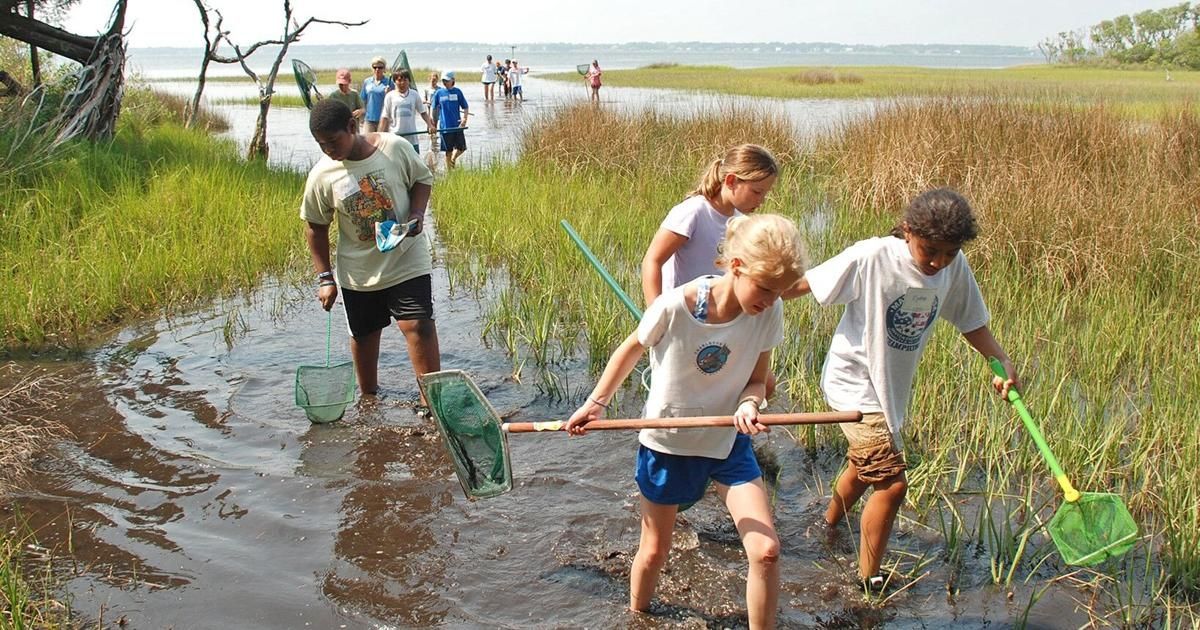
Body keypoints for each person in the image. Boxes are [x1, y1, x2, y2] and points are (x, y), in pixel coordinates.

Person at [566, 213, 805, 629]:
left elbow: (757, 381)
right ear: (736, 267)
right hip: (669, 446)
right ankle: (637, 616)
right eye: (765, 288)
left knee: (766, 550)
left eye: (779, 292)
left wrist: (750, 404)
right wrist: (596, 402)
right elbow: (631, 349)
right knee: (656, 550)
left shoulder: (769, 312)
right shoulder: (675, 305)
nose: (770, 300)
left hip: (728, 443)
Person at [790, 188, 1018, 591]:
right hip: (854, 382)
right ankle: (870, 581)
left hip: (888, 392)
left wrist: (999, 363)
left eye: (948, 252)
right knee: (891, 483)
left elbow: (972, 322)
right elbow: (804, 285)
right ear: (908, 231)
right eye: (929, 250)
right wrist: (740, 295)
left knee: (865, 469)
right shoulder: (873, 255)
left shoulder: (953, 266)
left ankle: (825, 526)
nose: (938, 262)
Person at [300, 99, 441, 408]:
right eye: (321, 145)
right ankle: (369, 401)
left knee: (417, 325)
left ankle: (432, 403)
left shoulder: (394, 148)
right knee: (364, 335)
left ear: (352, 127)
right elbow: (316, 228)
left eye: (333, 142)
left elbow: (421, 179)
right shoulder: (322, 175)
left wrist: (417, 212)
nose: (329, 150)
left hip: (406, 257)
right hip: (358, 271)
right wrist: (325, 278)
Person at [642, 145, 780, 398]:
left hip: (725, 319)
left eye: (765, 193)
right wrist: (655, 315)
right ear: (731, 181)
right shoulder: (694, 211)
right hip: (687, 320)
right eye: (757, 191)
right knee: (683, 390)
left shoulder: (741, 221)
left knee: (764, 384)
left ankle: (733, 431)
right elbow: (653, 260)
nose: (761, 200)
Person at [380, 69, 435, 154]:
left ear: (409, 81)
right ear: (395, 82)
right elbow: (385, 118)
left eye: (405, 80)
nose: (402, 83)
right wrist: (380, 136)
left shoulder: (414, 94)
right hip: (395, 138)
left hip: (412, 139)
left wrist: (430, 125)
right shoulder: (389, 96)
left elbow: (423, 112)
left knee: (414, 165)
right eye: (399, 80)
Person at [431, 70, 469, 170]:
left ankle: (453, 159)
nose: (445, 82)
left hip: (457, 126)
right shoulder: (439, 93)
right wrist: (432, 123)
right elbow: (433, 108)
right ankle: (450, 172)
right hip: (445, 127)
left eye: (447, 80)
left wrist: (464, 119)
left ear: (453, 80)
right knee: (448, 151)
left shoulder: (458, 92)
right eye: (443, 80)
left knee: (461, 148)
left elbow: (465, 106)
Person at [360, 55, 394, 133]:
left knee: (382, 143)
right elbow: (363, 100)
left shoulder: (389, 83)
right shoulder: (367, 82)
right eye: (375, 67)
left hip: (384, 119)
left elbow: (394, 101)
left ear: (384, 69)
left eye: (380, 67)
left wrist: (389, 94)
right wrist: (362, 117)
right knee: (367, 142)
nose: (377, 69)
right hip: (369, 119)